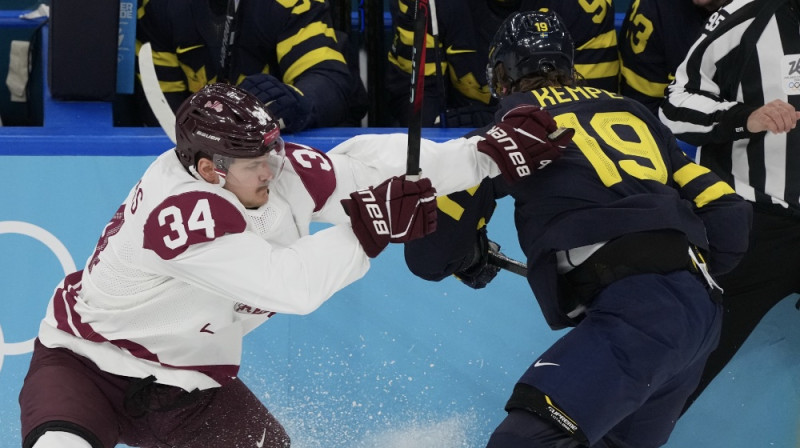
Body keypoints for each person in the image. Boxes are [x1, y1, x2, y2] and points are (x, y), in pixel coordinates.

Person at [17, 82, 557, 448]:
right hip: (85, 364)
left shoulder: (272, 167)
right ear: (210, 170)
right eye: (259, 163)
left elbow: (379, 167)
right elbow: (288, 285)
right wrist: (369, 228)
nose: (276, 170)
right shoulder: (179, 215)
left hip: (186, 385)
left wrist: (484, 154)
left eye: (274, 151)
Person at [404, 10, 752, 447]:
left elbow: (428, 254)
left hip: (639, 314)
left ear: (501, 74)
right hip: (699, 314)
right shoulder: (636, 113)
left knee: (521, 442)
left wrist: (466, 257)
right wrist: (672, 275)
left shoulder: (505, 128)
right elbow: (729, 215)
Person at [660, 0, 800, 413]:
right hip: (755, 226)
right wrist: (743, 117)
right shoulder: (748, 15)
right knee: (679, 374)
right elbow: (674, 107)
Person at [134, 0, 367, 133]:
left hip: (284, 145)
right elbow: (162, 109)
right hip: (202, 159)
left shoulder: (290, 3)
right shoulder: (157, 8)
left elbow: (328, 79)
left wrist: (295, 102)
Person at [386, 0, 620, 128]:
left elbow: (590, 110)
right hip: (461, 148)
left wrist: (475, 118)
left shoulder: (588, 5)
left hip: (557, 155)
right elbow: (419, 113)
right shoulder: (425, 4)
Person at [618, 0, 730, 115]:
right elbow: (643, 107)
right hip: (667, 125)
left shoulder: (748, 14)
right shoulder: (654, 8)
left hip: (735, 121)